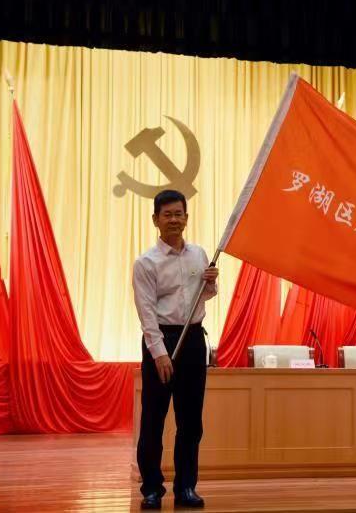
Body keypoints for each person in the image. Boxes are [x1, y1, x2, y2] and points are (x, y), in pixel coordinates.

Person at [132, 189, 219, 509]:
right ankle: (152, 489)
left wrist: (211, 283)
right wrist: (159, 353)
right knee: (153, 420)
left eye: (178, 214)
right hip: (162, 340)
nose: (174, 220)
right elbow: (146, 312)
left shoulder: (199, 254)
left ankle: (186, 488)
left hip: (193, 340)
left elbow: (204, 296)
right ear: (155, 219)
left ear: (186, 218)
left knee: (191, 421)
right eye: (167, 214)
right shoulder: (146, 262)